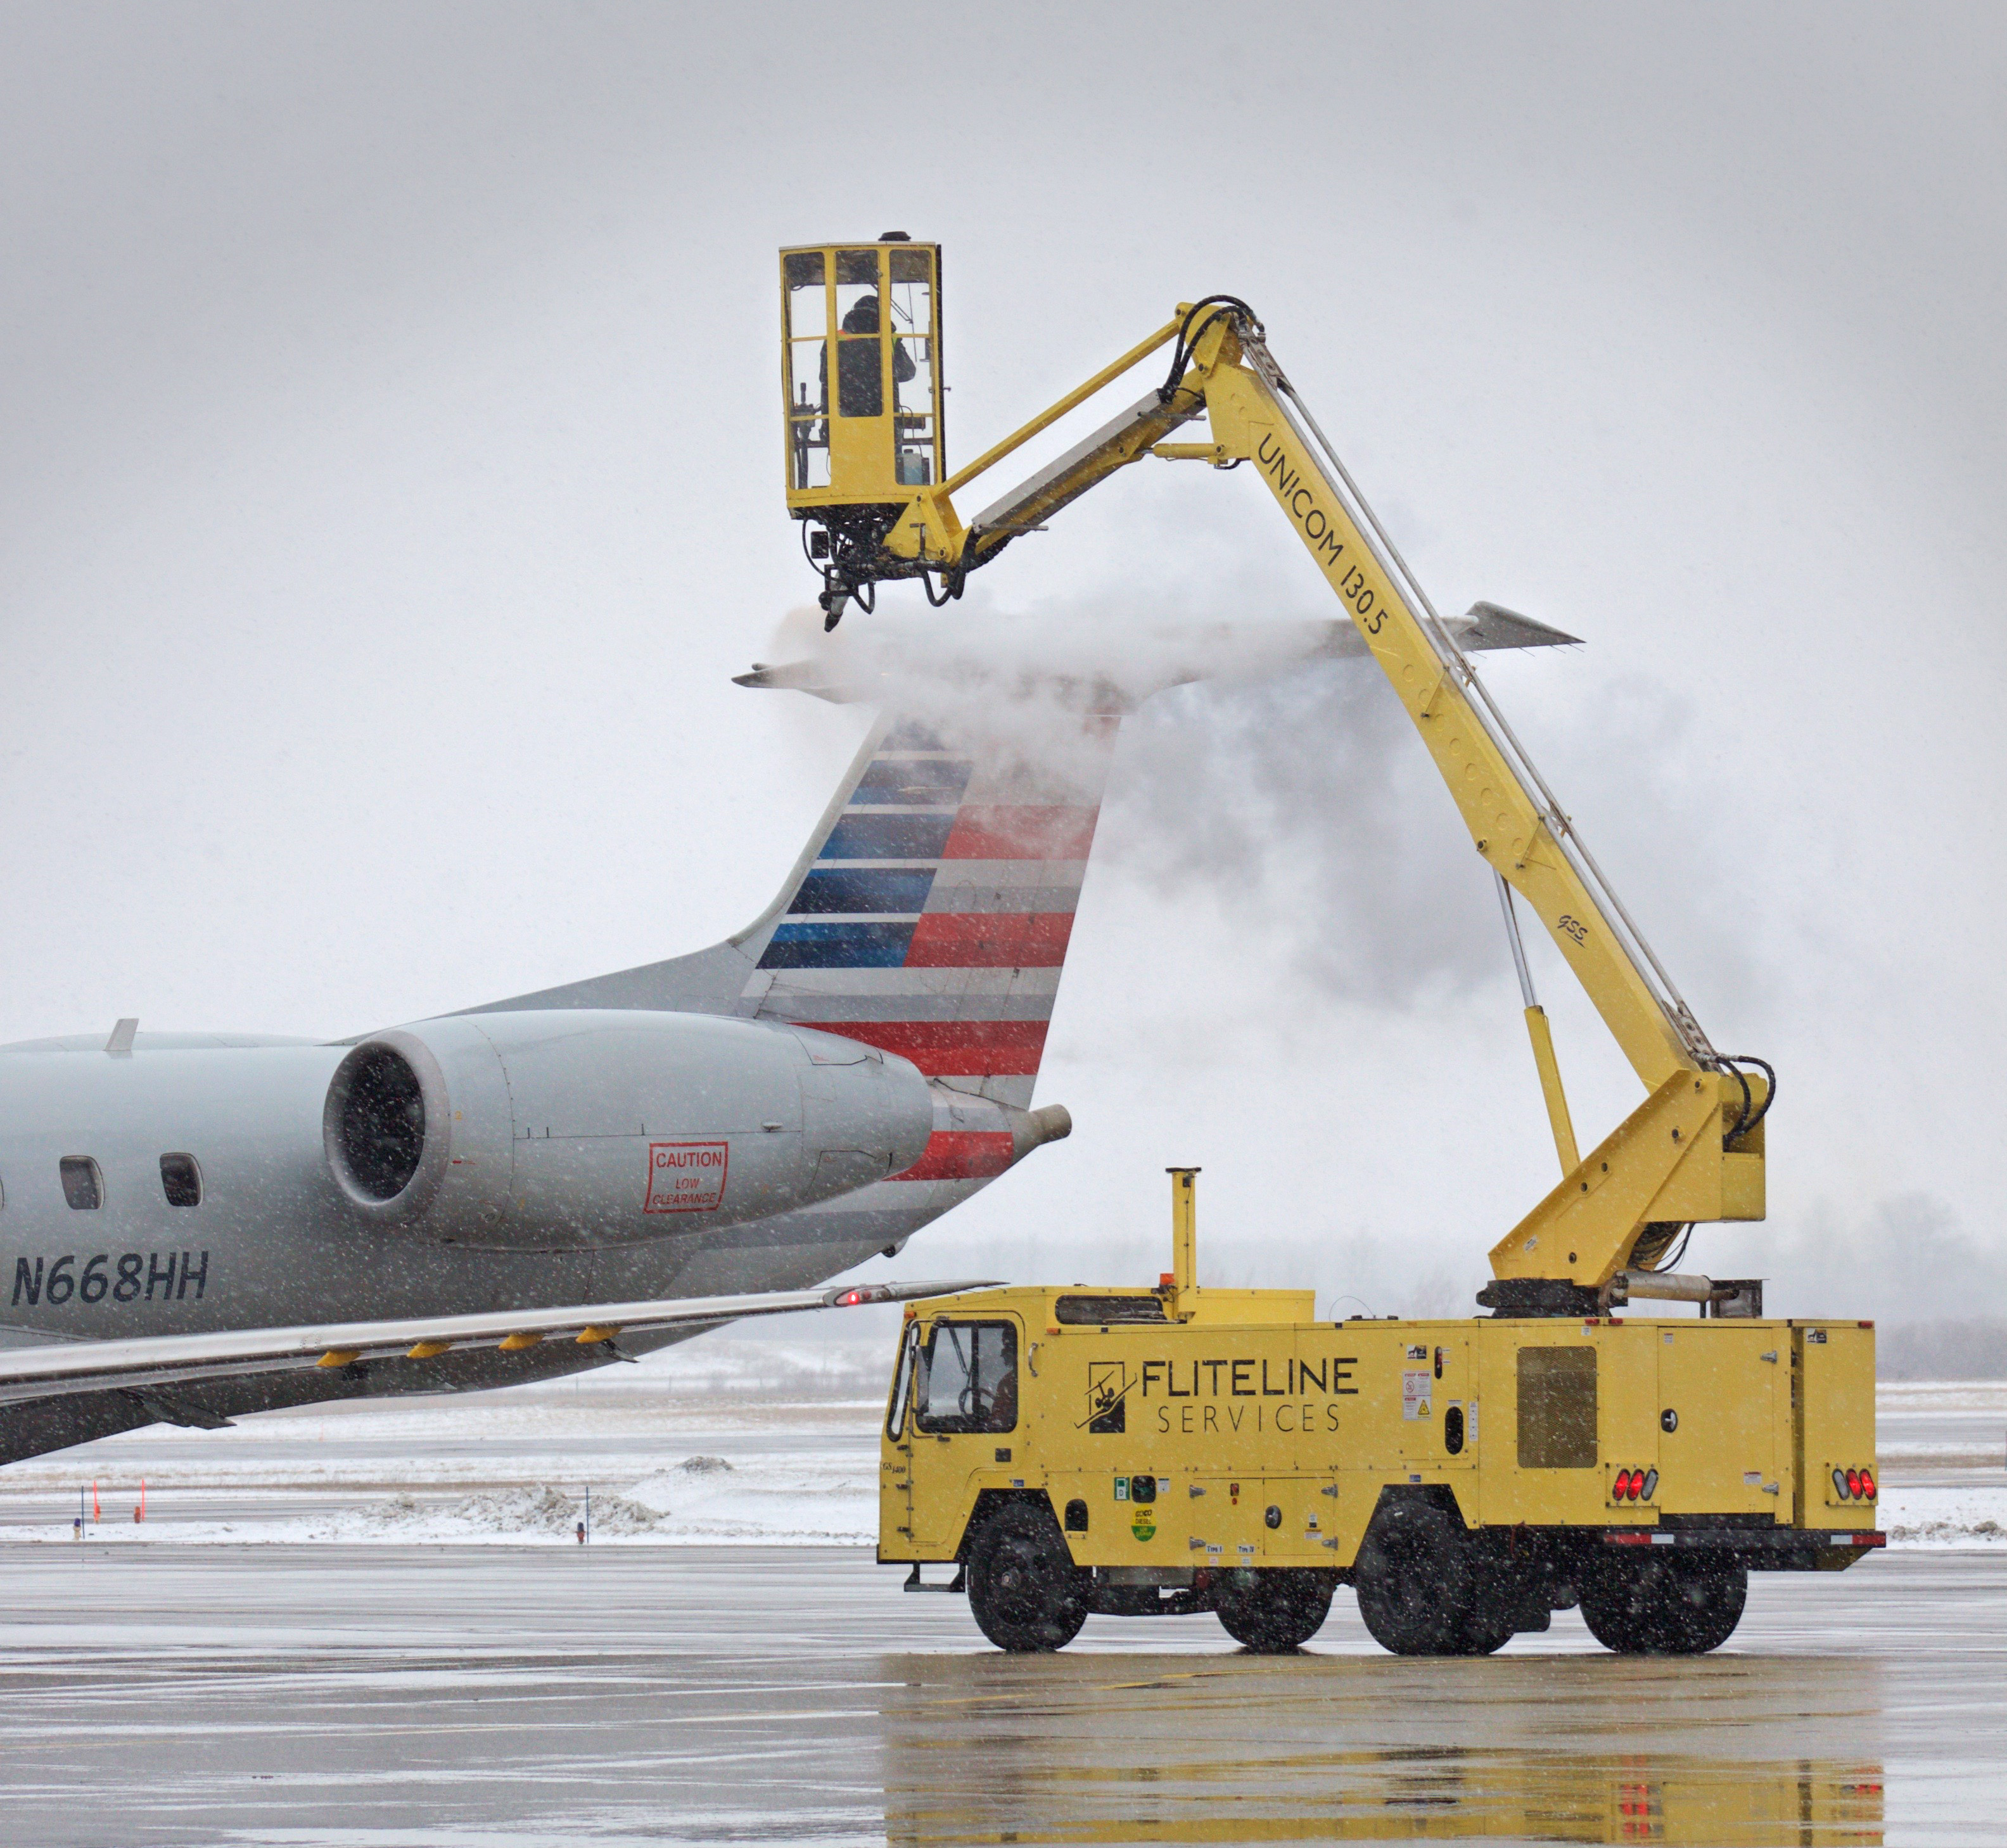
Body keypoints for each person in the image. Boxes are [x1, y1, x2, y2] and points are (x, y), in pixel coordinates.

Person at [824, 293, 915, 420]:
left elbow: (824, 376)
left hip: (840, 418)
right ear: (881, 314)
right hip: (883, 417)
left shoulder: (836, 338)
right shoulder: (889, 337)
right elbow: (908, 372)